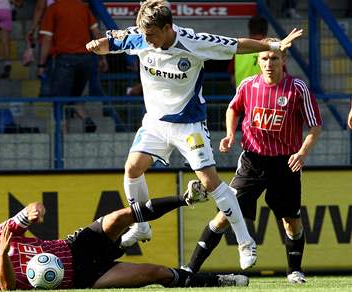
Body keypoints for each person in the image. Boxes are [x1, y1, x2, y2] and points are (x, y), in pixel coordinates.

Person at [86, 0, 302, 270]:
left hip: (188, 124)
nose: (148, 39)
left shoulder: (194, 42)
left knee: (210, 182)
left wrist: (272, 45)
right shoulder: (140, 37)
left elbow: (237, 44)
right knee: (132, 169)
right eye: (145, 34)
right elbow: (111, 44)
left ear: (168, 28)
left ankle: (245, 241)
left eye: (152, 34)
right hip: (154, 123)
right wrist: (98, 47)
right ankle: (141, 226)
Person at [182, 37, 322, 284]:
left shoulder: (297, 88)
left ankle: (294, 271)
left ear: (284, 60)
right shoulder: (247, 85)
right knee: (225, 214)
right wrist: (229, 134)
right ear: (258, 60)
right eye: (265, 58)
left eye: (274, 58)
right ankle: (190, 268)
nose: (269, 63)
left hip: (285, 163)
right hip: (252, 161)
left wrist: (301, 153)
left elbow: (315, 126)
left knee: (291, 221)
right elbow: (233, 109)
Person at [0, 186, 249, 290]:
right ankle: (219, 281)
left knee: (120, 216)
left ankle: (186, 199)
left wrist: (34, 211)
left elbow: (27, 212)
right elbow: (8, 287)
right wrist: (4, 257)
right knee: (155, 273)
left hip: (73, 245)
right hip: (84, 276)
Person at [38, 0, 108, 133]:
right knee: (74, 95)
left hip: (65, 59)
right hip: (86, 60)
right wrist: (102, 57)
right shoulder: (83, 8)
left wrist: (41, 64)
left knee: (59, 100)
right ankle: (86, 119)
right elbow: (96, 33)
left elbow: (47, 39)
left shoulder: (54, 8)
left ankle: (61, 138)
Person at [229, 15, 268, 88]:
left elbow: (233, 80)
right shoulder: (273, 51)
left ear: (250, 30)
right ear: (266, 31)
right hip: (266, 96)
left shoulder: (239, 49)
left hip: (243, 95)